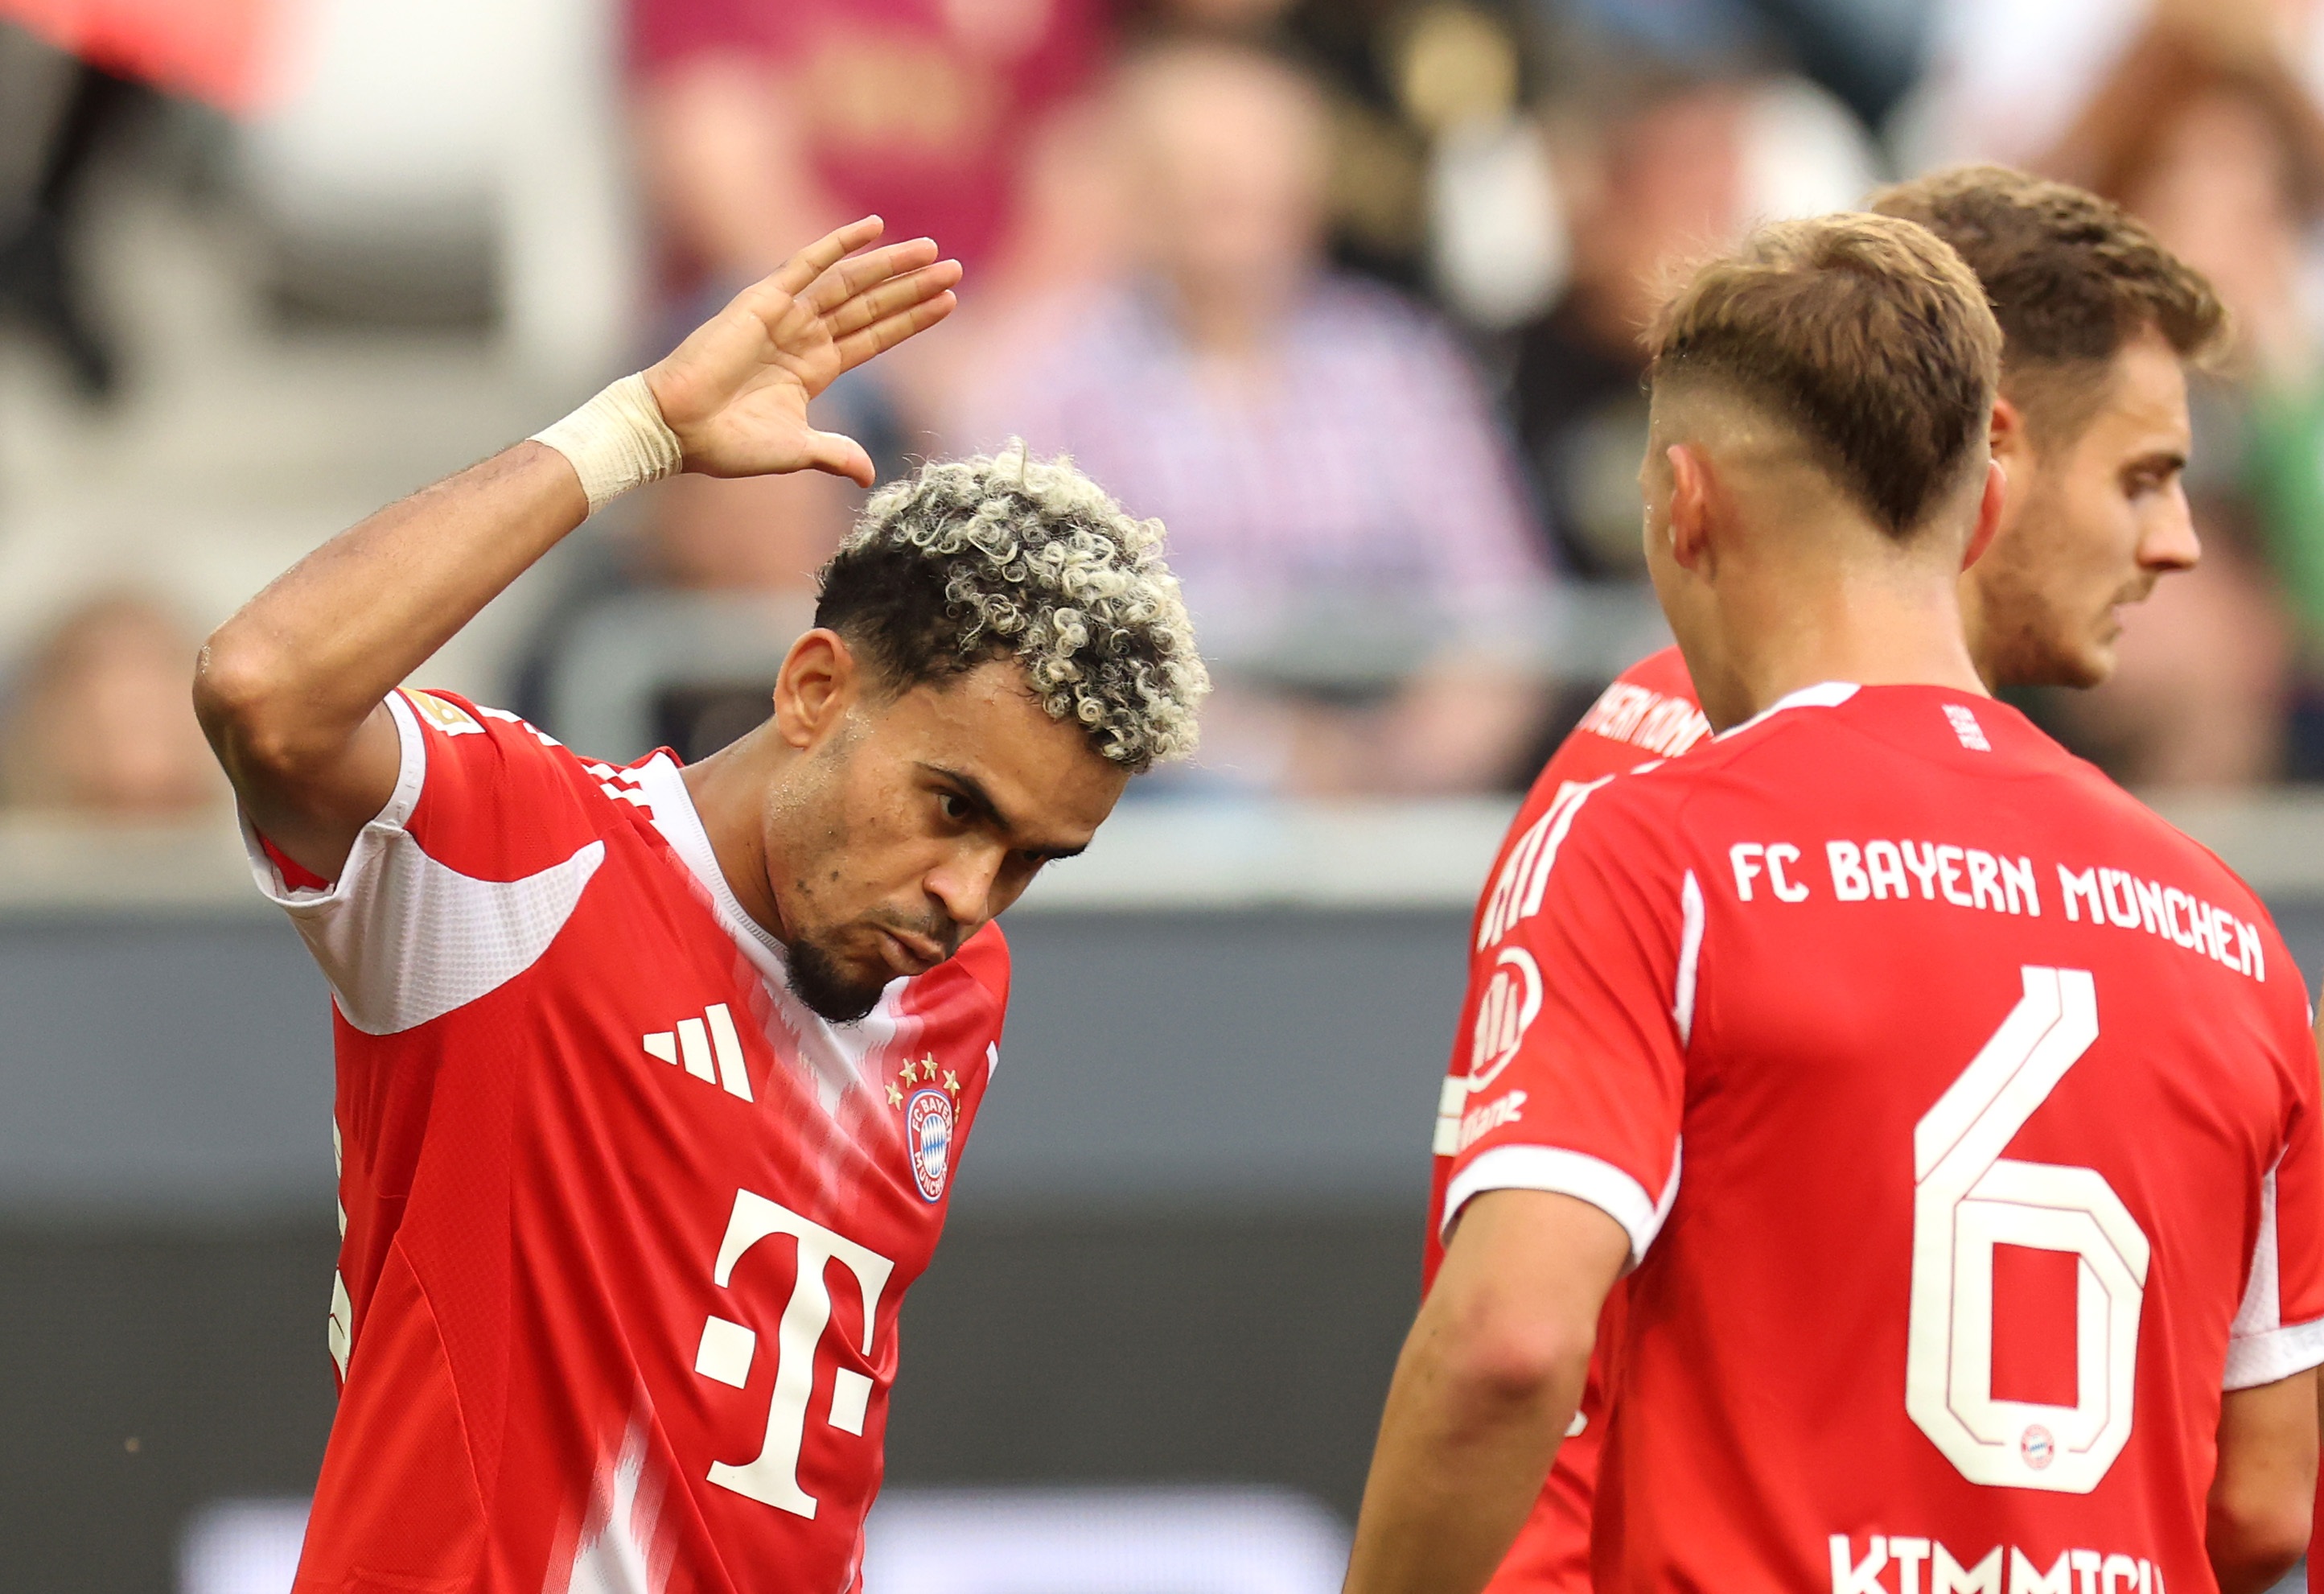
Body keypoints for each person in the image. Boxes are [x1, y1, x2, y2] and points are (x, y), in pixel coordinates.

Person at [191, 220, 1208, 1592]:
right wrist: (638, 432)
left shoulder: (952, 993)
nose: (969, 895)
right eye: (953, 806)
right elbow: (263, 686)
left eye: (1031, 857)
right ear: (813, 688)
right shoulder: (515, 852)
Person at [1353, 211, 2323, 1593]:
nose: (2173, 543)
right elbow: (2264, 1503)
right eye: (2141, 477)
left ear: (1681, 504)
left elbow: (1513, 1345)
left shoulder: (1656, 822)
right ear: (1988, 485)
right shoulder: (2228, 928)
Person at [953, 39, 1553, 794]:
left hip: (1393, 780)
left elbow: (1505, 610)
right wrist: (1270, 759)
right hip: (1145, 787)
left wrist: (1407, 764)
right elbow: (1024, 633)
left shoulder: (1401, 365)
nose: (1242, 204)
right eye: (1208, 180)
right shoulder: (1049, 375)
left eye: (1268, 177)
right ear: (1141, 193)